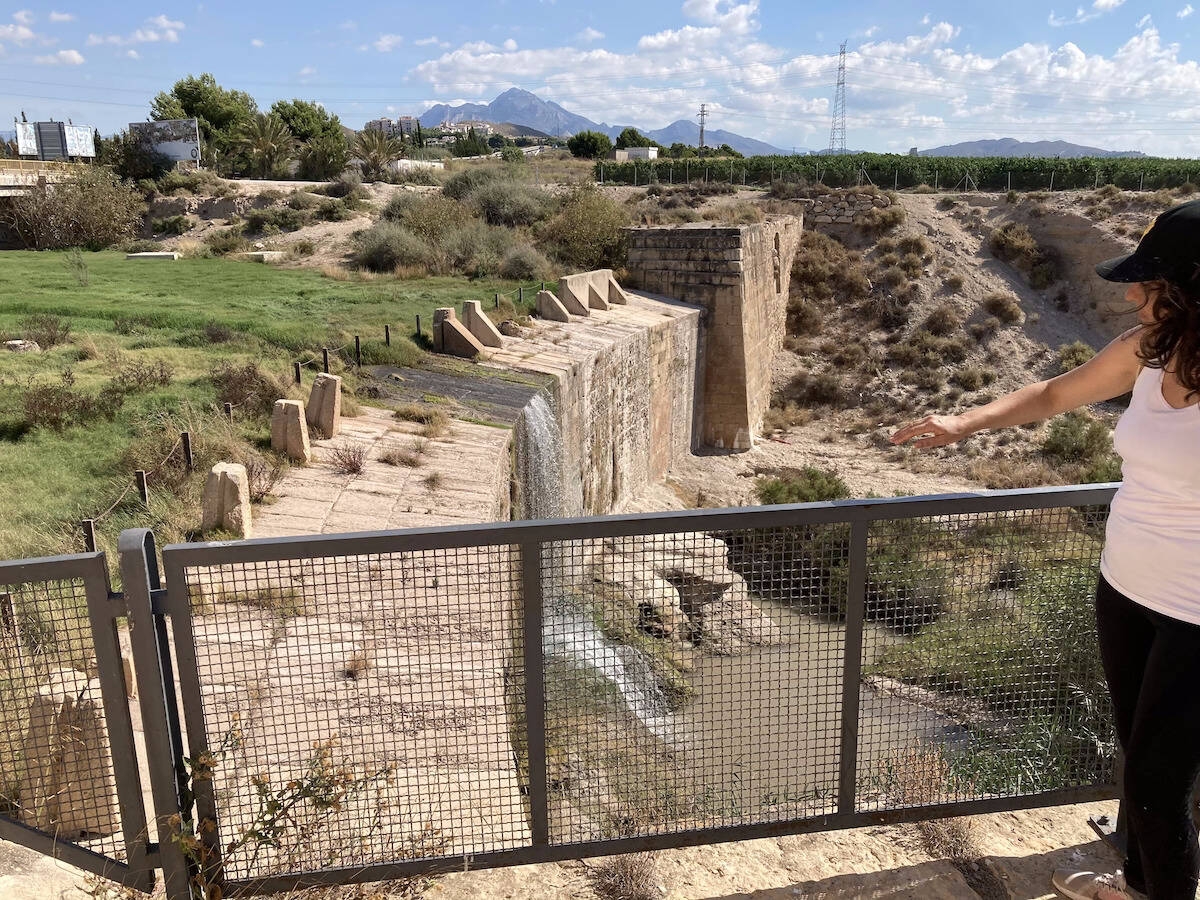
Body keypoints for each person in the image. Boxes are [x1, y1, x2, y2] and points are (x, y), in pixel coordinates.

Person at [890, 198, 1200, 900]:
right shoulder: (1149, 352)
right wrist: (964, 420)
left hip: (1196, 612)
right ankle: (1140, 884)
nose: (1130, 295)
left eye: (1149, 285)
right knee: (1141, 763)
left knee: (1157, 780)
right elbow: (1055, 393)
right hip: (1127, 587)